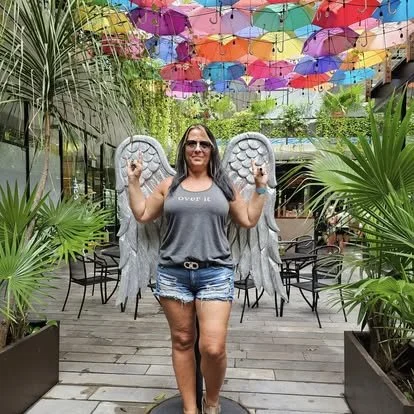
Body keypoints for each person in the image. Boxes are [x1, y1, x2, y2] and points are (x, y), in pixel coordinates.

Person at [126, 124, 268, 414]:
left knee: (212, 347)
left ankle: (211, 402)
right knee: (182, 341)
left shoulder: (224, 186)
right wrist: (133, 181)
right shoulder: (169, 185)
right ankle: (190, 409)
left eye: (204, 144)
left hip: (215, 273)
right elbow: (142, 213)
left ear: (212, 149)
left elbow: (248, 219)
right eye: (191, 143)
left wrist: (260, 187)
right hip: (173, 274)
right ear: (184, 149)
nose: (198, 148)